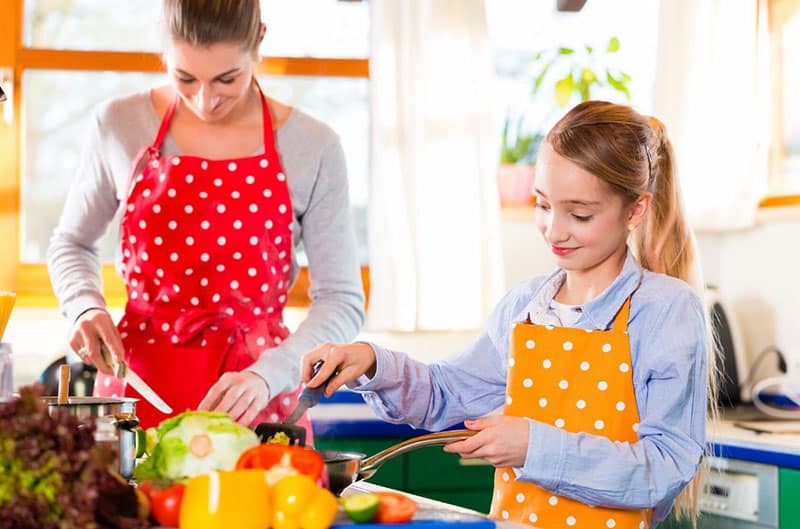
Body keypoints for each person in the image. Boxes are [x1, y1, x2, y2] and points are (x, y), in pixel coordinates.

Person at [302, 101, 708, 528]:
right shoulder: (525, 307)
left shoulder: (664, 310)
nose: (554, 230)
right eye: (543, 204)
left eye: (580, 214)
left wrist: (535, 448)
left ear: (636, 210)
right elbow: (445, 394)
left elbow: (664, 467)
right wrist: (371, 362)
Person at [47, 0, 365, 432]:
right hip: (137, 394)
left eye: (227, 78)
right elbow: (72, 243)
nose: (204, 99)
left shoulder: (314, 146)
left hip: (257, 402)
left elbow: (342, 301)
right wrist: (84, 306)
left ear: (259, 42)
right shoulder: (118, 124)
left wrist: (270, 373)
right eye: (185, 77)